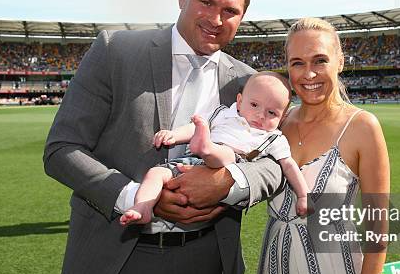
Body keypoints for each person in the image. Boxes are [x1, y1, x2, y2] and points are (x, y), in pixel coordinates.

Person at [43, 0, 283, 274]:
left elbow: (275, 161)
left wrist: (228, 183)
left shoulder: (250, 82)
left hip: (201, 265)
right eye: (206, 2)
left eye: (231, 11)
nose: (216, 18)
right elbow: (61, 149)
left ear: (241, 18)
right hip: (114, 258)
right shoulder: (116, 50)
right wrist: (136, 196)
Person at [255, 18, 390, 274]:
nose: (308, 73)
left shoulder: (361, 126)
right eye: (297, 63)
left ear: (340, 61)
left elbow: (379, 230)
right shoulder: (276, 121)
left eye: (319, 60)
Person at [120, 71, 310, 226]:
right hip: (191, 162)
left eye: (271, 113)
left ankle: (206, 147)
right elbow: (192, 127)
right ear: (240, 100)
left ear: (283, 117)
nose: (261, 115)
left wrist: (303, 195)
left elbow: (288, 166)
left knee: (226, 154)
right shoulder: (223, 114)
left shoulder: (273, 138)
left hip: (229, 164)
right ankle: (143, 207)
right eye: (254, 105)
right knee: (156, 173)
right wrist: (174, 135)